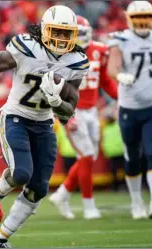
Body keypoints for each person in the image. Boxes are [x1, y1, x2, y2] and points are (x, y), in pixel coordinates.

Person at [0, 5, 89, 248]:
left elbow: (69, 110)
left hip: (44, 124)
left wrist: (56, 101)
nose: (60, 38)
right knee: (21, 173)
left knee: (39, 188)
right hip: (15, 117)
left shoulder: (76, 60)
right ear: (44, 30)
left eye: (65, 33)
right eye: (56, 32)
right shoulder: (28, 47)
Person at [107, 0, 152, 219]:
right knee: (133, 157)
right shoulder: (121, 40)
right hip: (130, 107)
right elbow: (112, 67)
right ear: (129, 18)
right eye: (138, 18)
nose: (142, 22)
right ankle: (137, 202)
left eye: (146, 17)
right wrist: (120, 76)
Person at [48, 15, 118, 220]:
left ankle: (63, 193)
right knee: (86, 156)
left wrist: (122, 97)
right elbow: (53, 88)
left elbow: (105, 80)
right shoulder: (61, 55)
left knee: (88, 157)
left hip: (92, 111)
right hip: (73, 110)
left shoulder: (100, 50)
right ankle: (89, 206)